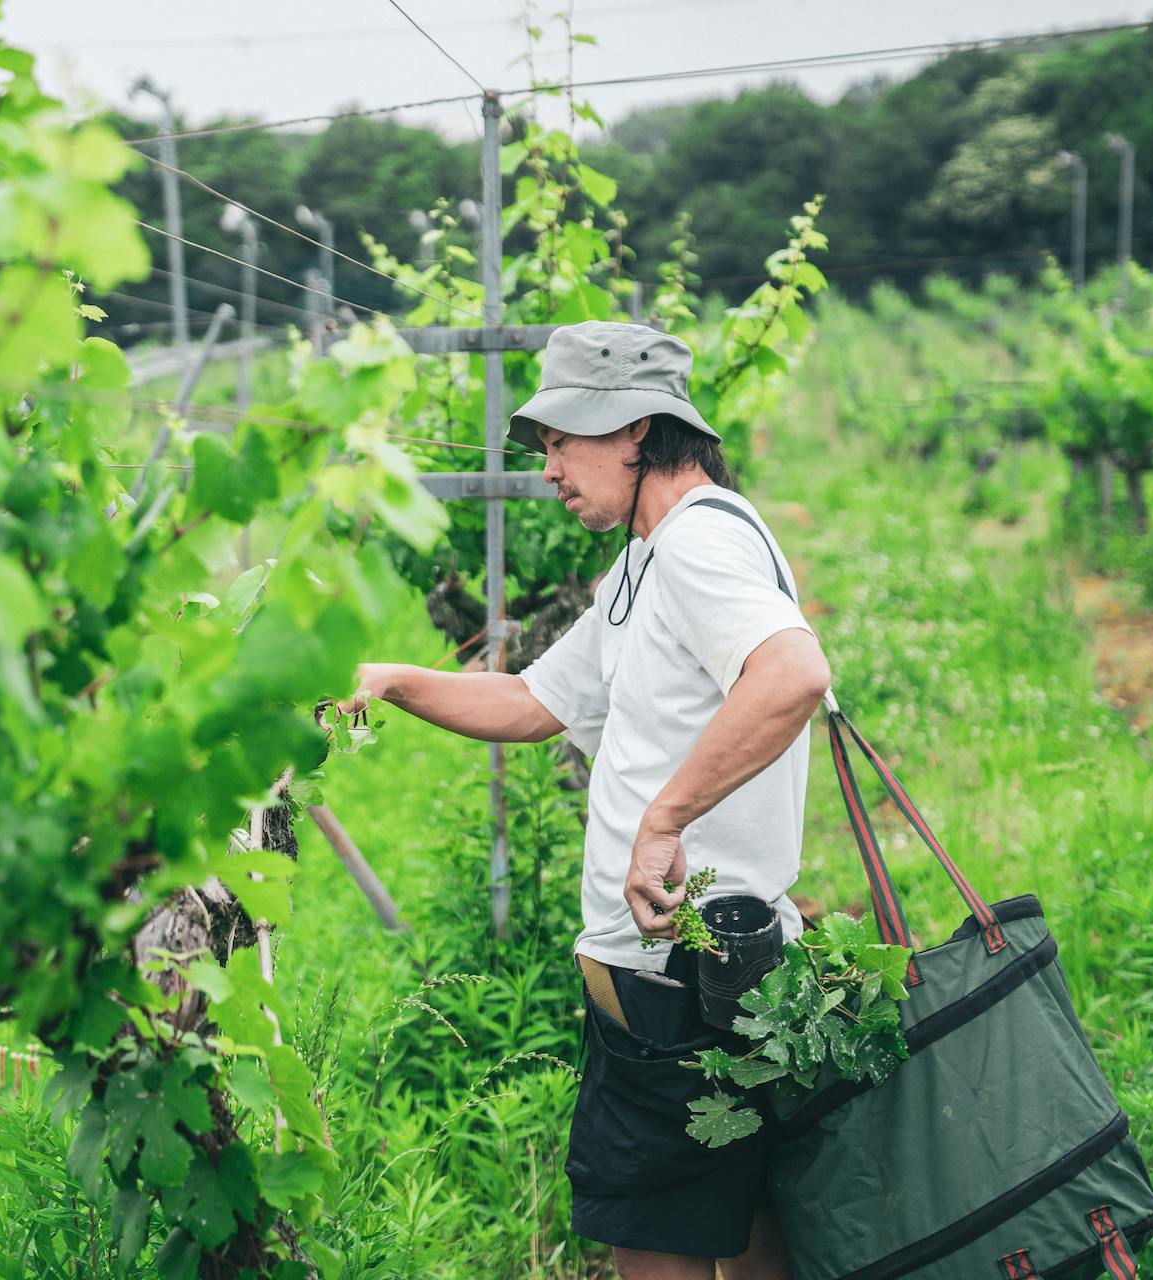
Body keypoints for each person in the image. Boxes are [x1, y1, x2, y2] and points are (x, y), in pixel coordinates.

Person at [336, 320, 831, 1280]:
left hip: (675, 988)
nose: (550, 469)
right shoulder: (647, 561)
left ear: (638, 431)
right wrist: (397, 679)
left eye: (564, 441)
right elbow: (535, 701)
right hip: (709, 979)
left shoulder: (693, 548)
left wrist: (664, 818)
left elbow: (793, 673)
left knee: (654, 1244)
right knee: (758, 1231)